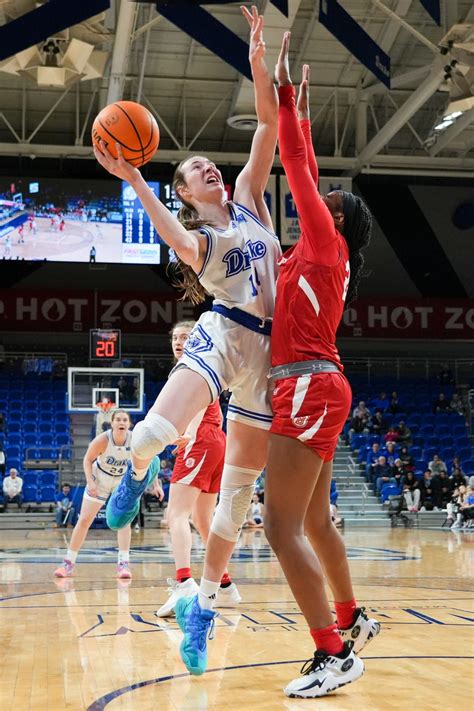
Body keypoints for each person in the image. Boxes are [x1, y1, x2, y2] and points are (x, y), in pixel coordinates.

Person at [94, 5, 279, 674]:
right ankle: (135, 469)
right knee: (155, 431)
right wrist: (137, 179)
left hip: (269, 360)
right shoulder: (199, 239)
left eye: (212, 168)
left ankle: (201, 604)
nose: (214, 173)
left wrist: (257, 57)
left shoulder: (255, 201)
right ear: (187, 194)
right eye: (200, 173)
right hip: (225, 333)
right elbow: (173, 238)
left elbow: (266, 125)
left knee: (234, 502)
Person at [259, 39, 377, 698]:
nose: (316, 196)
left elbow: (297, 164)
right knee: (312, 522)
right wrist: (297, 110)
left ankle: (331, 652)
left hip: (306, 383)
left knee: (281, 526)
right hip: (318, 381)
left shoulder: (325, 242)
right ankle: (350, 616)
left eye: (326, 198)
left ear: (332, 217)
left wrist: (283, 98)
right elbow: (303, 161)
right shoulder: (321, 252)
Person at [156, 321, 240, 618]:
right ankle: (226, 586)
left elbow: (202, 403)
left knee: (175, 514)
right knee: (203, 518)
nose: (179, 341)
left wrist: (190, 433)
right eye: (176, 337)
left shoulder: (193, 366)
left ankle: (184, 583)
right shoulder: (198, 365)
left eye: (186, 336)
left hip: (203, 438)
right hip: (216, 441)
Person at [54, 410, 163, 579]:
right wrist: (90, 482)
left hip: (122, 483)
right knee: (84, 520)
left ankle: (123, 563)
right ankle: (68, 562)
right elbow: (87, 459)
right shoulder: (103, 440)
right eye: (118, 419)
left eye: (124, 420)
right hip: (101, 480)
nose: (121, 422)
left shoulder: (135, 440)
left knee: (123, 521)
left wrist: (156, 485)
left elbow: (150, 460)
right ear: (112, 423)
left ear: (129, 424)